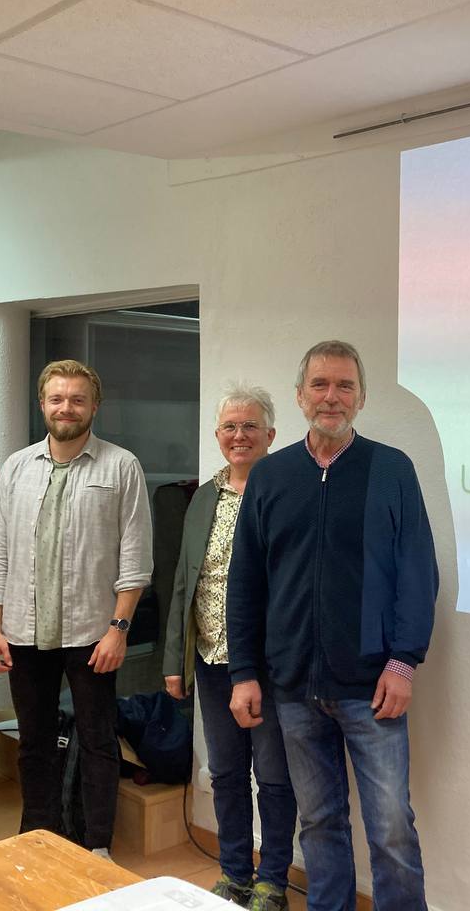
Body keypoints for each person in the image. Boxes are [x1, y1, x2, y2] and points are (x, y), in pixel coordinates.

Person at [226, 340, 438, 911]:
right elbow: (245, 582)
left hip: (372, 688)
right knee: (319, 824)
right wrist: (244, 673)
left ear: (361, 398)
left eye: (345, 385)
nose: (331, 396)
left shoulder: (392, 470)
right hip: (293, 688)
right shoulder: (271, 476)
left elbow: (418, 572)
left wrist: (403, 662)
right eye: (320, 384)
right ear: (300, 396)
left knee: (391, 828)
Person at [0, 359, 152, 859]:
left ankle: (97, 845)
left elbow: (136, 559)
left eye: (77, 399)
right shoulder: (17, 467)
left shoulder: (121, 466)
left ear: (94, 407)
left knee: (98, 739)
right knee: (33, 741)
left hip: (92, 633)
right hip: (24, 631)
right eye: (57, 399)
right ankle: (37, 836)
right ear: (42, 405)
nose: (66, 408)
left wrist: (119, 629)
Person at [163, 384, 297, 911]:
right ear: (218, 435)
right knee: (225, 773)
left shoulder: (286, 491)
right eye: (229, 427)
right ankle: (236, 874)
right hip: (211, 659)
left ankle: (273, 882)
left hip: (267, 665)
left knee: (274, 776)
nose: (239, 436)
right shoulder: (205, 496)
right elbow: (184, 580)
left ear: (270, 434)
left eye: (250, 426)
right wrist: (175, 659)